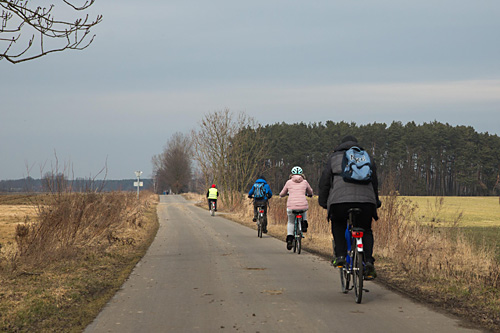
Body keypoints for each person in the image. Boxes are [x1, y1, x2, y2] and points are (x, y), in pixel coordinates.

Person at [318, 135, 381, 279]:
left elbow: (324, 182)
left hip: (340, 202)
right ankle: (369, 261)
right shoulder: (367, 158)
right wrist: (375, 201)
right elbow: (375, 182)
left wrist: (323, 201)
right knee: (366, 229)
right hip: (366, 202)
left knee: (338, 224)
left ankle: (340, 256)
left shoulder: (334, 158)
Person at [279, 166, 314, 250]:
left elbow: (282, 193)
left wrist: (282, 195)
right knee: (303, 209)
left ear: (292, 174)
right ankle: (304, 224)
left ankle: (290, 239)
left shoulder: (289, 182)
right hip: (302, 205)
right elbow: (310, 192)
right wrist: (310, 195)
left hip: (291, 206)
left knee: (291, 222)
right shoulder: (305, 182)